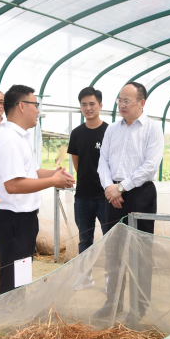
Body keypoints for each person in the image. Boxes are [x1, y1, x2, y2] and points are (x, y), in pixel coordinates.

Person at [0, 84, 75, 296]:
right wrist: (53, 181)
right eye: (35, 104)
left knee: (20, 278)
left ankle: (17, 311)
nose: (38, 110)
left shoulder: (20, 137)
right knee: (12, 282)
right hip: (13, 220)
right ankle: (8, 313)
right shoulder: (10, 139)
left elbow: (33, 172)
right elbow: (13, 185)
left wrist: (54, 174)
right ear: (21, 106)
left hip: (24, 219)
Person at [95, 82, 164, 321]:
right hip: (113, 193)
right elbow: (103, 161)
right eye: (119, 100)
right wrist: (109, 188)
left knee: (140, 252)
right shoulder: (112, 129)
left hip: (140, 194)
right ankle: (112, 302)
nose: (122, 105)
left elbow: (150, 166)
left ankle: (138, 307)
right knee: (113, 251)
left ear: (141, 103)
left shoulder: (152, 129)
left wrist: (121, 188)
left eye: (127, 101)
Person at [67, 87, 109, 289]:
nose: (88, 108)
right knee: (84, 239)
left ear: (100, 105)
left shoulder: (110, 131)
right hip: (83, 196)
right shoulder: (77, 133)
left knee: (110, 238)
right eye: (84, 104)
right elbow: (77, 164)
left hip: (106, 196)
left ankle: (111, 278)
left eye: (92, 104)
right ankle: (86, 277)